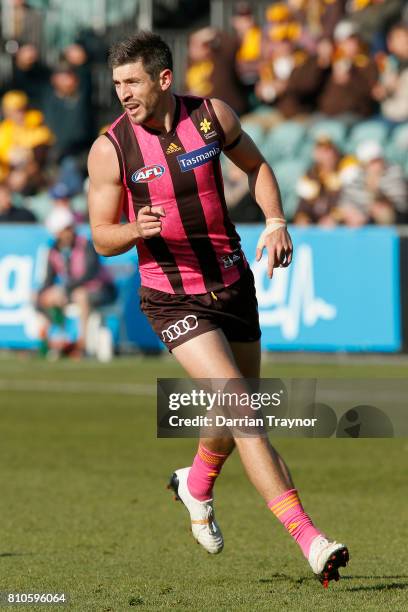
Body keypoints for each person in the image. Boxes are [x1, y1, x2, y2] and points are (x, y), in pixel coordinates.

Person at [87, 31, 349, 587]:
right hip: (171, 296)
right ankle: (311, 539)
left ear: (164, 79)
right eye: (116, 85)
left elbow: (257, 166)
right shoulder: (110, 148)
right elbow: (102, 237)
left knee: (236, 412)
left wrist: (276, 221)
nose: (123, 95)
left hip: (232, 284)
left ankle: (196, 484)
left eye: (132, 82)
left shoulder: (211, 116)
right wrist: (135, 228)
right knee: (243, 410)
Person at [38, 207, 117, 355]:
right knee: (48, 296)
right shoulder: (54, 251)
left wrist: (66, 289)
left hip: (103, 290)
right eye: (64, 229)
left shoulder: (86, 245)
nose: (68, 232)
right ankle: (52, 342)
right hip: (73, 291)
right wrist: (43, 294)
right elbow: (48, 280)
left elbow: (90, 273)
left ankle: (82, 344)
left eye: (69, 227)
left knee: (80, 295)